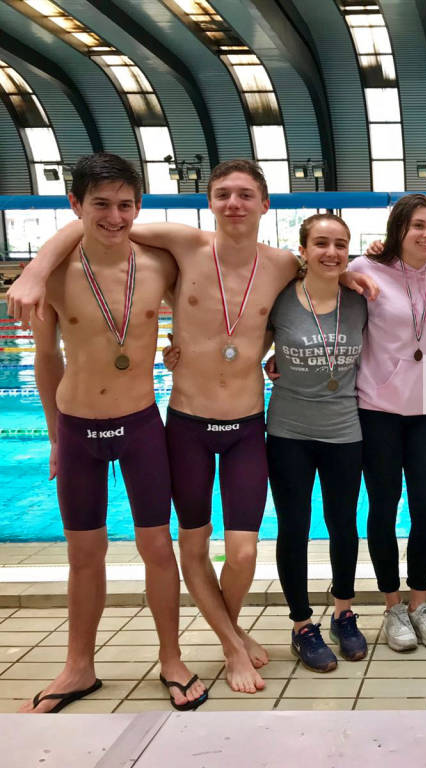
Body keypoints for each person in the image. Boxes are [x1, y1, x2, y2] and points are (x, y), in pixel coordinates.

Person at [9, 158, 375, 694]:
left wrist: (356, 272)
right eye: (223, 193)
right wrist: (37, 269)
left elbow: (321, 270)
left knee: (244, 552)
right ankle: (232, 645)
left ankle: (227, 633)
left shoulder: (278, 265)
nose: (234, 203)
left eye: (246, 195)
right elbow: (98, 225)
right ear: (209, 202)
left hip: (248, 423)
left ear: (265, 204)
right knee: (191, 547)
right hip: (184, 424)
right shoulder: (182, 246)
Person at [19, 153, 206, 712]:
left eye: (126, 204)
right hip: (77, 427)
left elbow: (197, 314)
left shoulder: (158, 267)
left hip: (142, 423)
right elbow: (46, 360)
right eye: (100, 204)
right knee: (85, 553)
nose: (115, 216)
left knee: (156, 546)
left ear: (139, 207)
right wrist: (55, 436)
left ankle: (171, 659)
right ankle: (79, 667)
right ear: (74, 205)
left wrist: (179, 351)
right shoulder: (51, 275)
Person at [263, 214, 368, 669]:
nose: (331, 252)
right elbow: (243, 343)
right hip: (289, 431)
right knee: (295, 527)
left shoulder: (361, 298)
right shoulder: (281, 300)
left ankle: (344, 612)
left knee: (344, 524)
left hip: (345, 428)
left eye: (340, 245)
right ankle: (302, 624)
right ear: (302, 250)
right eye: (321, 243)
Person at [347, 194, 426, 652]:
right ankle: (392, 607)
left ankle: (420, 604)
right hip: (378, 409)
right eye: (418, 226)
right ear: (398, 228)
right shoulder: (364, 269)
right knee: (384, 510)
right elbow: (310, 275)